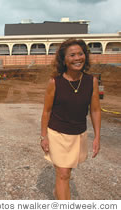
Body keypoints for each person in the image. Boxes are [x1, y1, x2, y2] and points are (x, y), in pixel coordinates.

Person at [40, 39, 101, 200]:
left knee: (67, 172)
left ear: (85, 57)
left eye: (80, 54)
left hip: (78, 134)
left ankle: (58, 193)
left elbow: (95, 110)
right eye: (72, 55)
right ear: (64, 60)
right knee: (63, 173)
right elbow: (46, 111)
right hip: (57, 134)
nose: (77, 58)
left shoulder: (91, 81)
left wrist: (97, 137)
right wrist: (43, 136)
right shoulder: (55, 83)